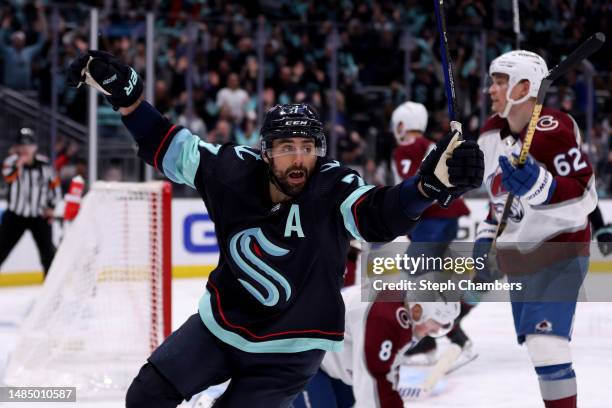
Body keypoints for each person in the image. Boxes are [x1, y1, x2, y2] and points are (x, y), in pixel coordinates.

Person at [67, 50, 484, 408]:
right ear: (265, 152)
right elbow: (167, 144)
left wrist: (425, 187)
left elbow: (377, 214)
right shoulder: (229, 171)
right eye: (287, 148)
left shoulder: (333, 185)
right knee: (144, 397)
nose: (299, 159)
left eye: (307, 148)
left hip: (292, 351)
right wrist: (130, 101)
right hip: (221, 327)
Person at [470, 50, 597, 408]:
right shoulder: (490, 135)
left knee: (547, 345)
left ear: (524, 87)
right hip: (520, 257)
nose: (490, 89)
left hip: (561, 248)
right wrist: (485, 239)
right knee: (540, 353)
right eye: (492, 81)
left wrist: (546, 189)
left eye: (499, 81)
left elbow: (587, 197)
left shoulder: (553, 129)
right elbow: (499, 206)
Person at [390, 101, 474, 362]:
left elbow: (409, 187)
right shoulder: (428, 144)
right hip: (444, 217)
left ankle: (456, 340)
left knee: (418, 281)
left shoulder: (407, 148)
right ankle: (429, 340)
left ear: (402, 125)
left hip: (433, 219)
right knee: (426, 281)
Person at [293, 286, 460, 408]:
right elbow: (375, 379)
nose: (435, 330)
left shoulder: (403, 311)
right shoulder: (384, 316)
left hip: (334, 366)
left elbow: (384, 375)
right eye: (435, 324)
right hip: (305, 356)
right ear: (418, 310)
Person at [0, 128, 61, 276]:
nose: (25, 148)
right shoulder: (10, 163)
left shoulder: (45, 165)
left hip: (39, 216)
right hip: (15, 215)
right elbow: (8, 178)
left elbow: (55, 188)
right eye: (22, 145)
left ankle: (51, 291)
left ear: (35, 147)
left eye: (29, 145)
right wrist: (19, 163)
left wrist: (52, 207)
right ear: (17, 147)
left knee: (48, 255)